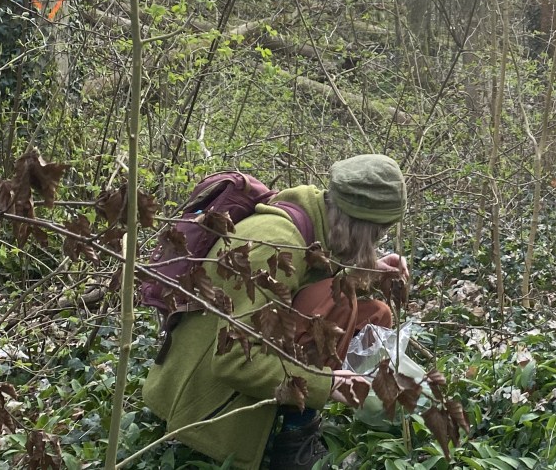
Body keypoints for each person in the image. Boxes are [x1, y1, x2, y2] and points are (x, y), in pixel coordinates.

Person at [143, 154, 410, 470]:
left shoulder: (310, 219)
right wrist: (328, 385)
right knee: (334, 304)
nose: (378, 243)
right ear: (360, 227)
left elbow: (306, 276)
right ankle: (291, 441)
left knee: (372, 312)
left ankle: (294, 424)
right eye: (377, 235)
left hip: (218, 378)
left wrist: (367, 271)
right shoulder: (276, 244)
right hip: (200, 408)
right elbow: (235, 361)